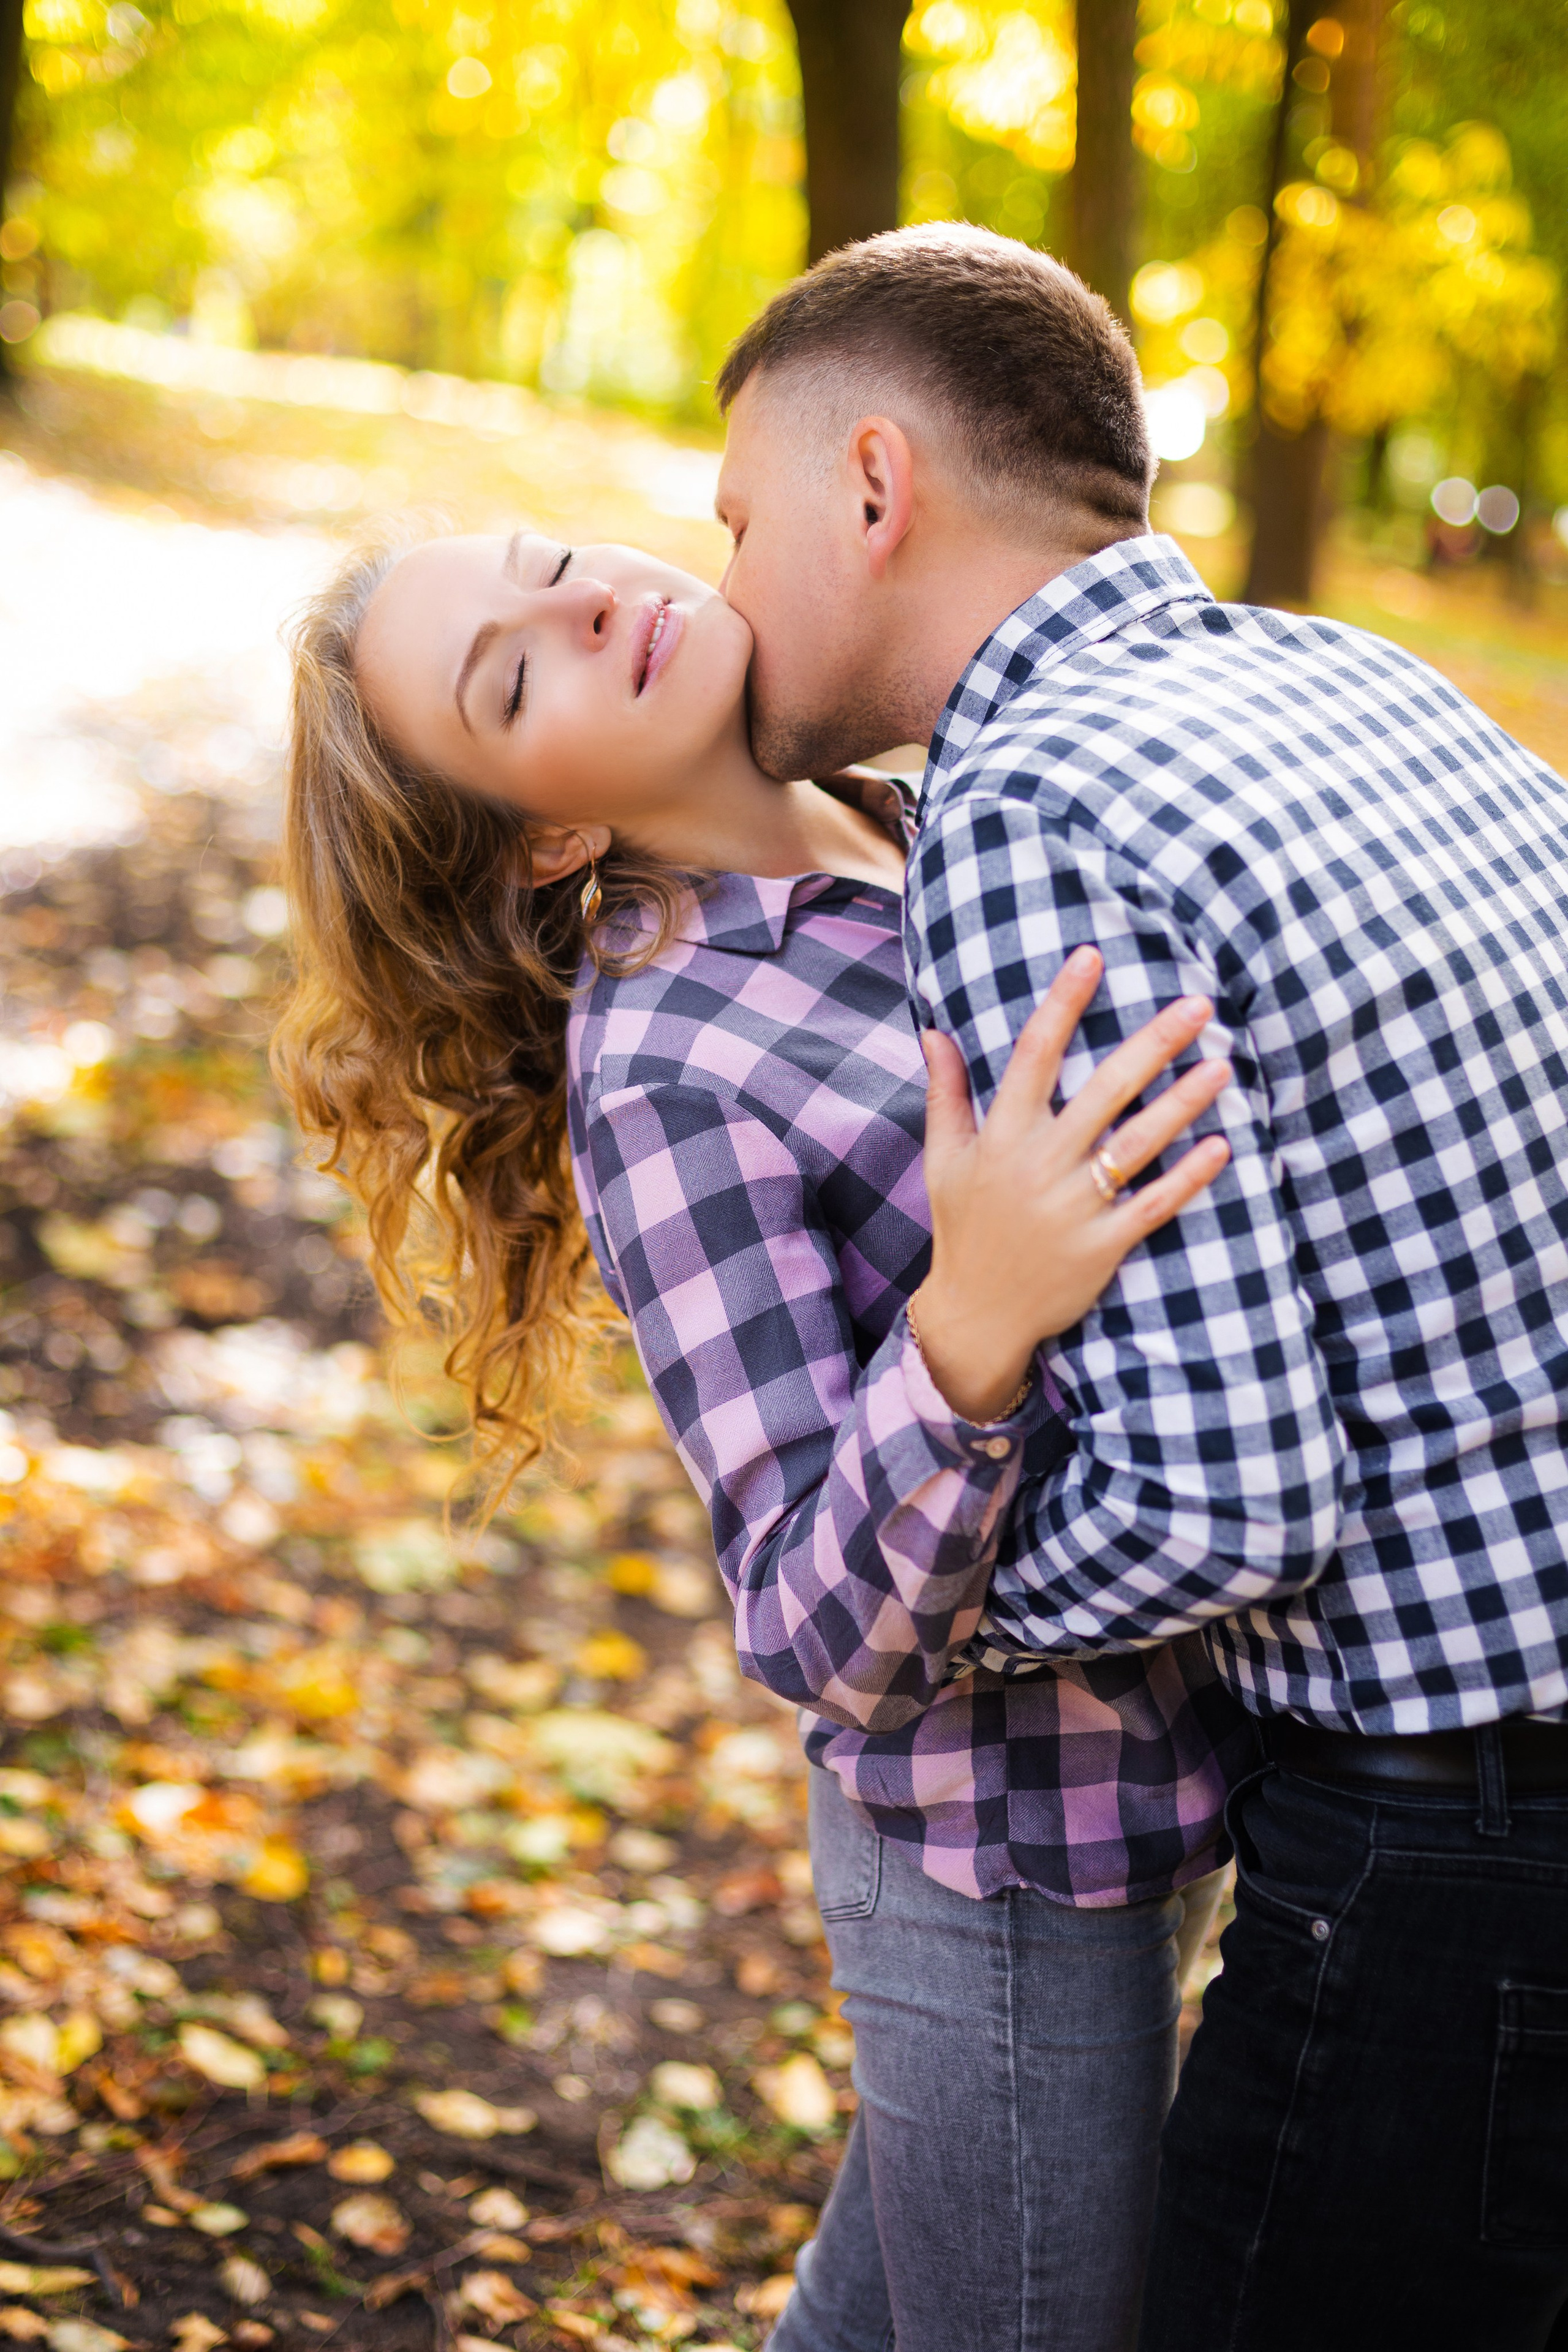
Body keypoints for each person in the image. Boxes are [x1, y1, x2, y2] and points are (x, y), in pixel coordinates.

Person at [710, 221, 1568, 2352]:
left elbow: (1221, 1502)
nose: (721, 588)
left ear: (875, 485)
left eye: (737, 520)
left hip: (1460, 1844)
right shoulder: (1353, 673)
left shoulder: (1030, 806)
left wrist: (911, 1635)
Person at [272, 519, 1255, 2352]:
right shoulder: (667, 1071)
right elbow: (814, 1628)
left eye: (550, 559)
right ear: (550, 840)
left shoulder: (929, 809)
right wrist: (972, 1318)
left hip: (1176, 1756)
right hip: (1000, 1857)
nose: (586, 603)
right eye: (517, 677)